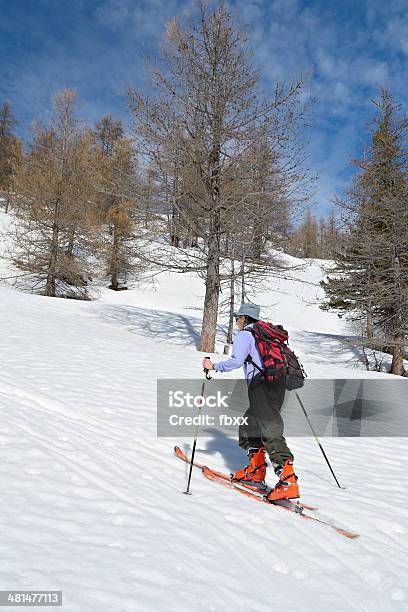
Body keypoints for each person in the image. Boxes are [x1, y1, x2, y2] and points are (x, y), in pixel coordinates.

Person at [202, 303, 299, 501]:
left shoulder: (246, 335)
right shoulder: (266, 335)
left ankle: (288, 480)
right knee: (249, 425)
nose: (236, 320)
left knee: (269, 427)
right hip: (277, 384)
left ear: (245, 318)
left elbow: (236, 361)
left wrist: (213, 366)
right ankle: (256, 471)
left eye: (238, 317)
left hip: (261, 385)